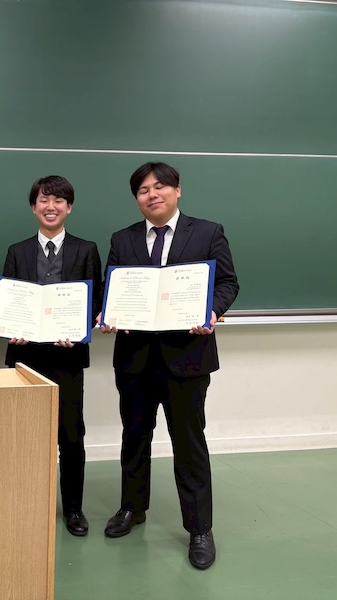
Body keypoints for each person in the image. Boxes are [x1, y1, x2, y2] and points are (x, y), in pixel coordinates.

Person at [99, 162, 239, 569]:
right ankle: (132, 507)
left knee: (189, 444)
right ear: (137, 199)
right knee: (134, 437)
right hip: (134, 359)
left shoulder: (208, 232)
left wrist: (212, 310)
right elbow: (113, 288)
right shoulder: (122, 239)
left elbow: (228, 283)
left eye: (160, 186)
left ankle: (199, 528)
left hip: (187, 359)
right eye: (143, 190)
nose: (152, 194)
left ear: (177, 190)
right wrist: (108, 312)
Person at [2, 176, 102, 537]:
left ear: (69, 207)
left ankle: (73, 509)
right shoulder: (17, 251)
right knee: (25, 436)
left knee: (71, 436)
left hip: (67, 358)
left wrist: (80, 328)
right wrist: (10, 325)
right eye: (44, 200)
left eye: (59, 200)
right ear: (34, 207)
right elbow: (10, 300)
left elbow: (95, 300)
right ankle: (28, 504)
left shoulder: (86, 249)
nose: (51, 207)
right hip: (25, 358)